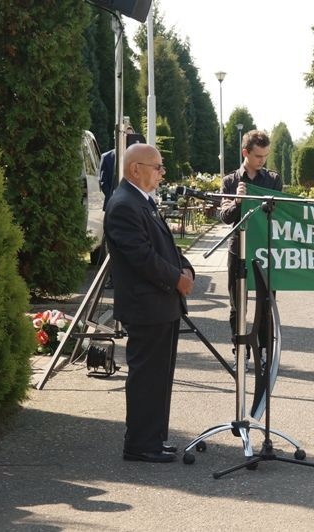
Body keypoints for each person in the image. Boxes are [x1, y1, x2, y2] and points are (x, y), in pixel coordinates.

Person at [105, 144, 194, 463]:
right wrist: (176, 279)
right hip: (146, 306)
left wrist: (186, 268)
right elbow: (142, 257)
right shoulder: (124, 205)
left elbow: (166, 245)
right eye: (156, 167)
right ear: (134, 169)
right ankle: (140, 443)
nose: (161, 172)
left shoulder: (142, 200)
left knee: (159, 376)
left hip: (161, 304)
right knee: (146, 377)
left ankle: (154, 438)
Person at [219, 130, 282, 361]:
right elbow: (225, 217)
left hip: (265, 248)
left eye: (265, 156)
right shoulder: (230, 181)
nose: (262, 161)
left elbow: (281, 214)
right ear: (245, 152)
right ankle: (240, 351)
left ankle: (264, 351)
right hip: (239, 249)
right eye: (258, 156)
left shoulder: (273, 180)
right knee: (238, 305)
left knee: (266, 303)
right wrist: (237, 202)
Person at [98, 126, 136, 210]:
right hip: (113, 205)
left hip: (134, 205)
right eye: (125, 136)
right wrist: (114, 198)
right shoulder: (106, 157)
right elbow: (103, 182)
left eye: (130, 136)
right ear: (117, 138)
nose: (127, 139)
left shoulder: (139, 158)